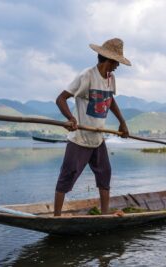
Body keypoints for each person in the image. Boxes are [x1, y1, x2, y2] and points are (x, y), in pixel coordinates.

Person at [54, 38, 131, 216]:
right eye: (116, 62)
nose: (117, 66)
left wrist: (122, 122)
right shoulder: (87, 76)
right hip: (80, 138)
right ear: (108, 60)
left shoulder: (111, 79)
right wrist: (70, 118)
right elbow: (61, 99)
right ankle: (56, 216)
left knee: (105, 175)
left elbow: (110, 99)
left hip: (97, 140)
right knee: (67, 176)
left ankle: (104, 215)